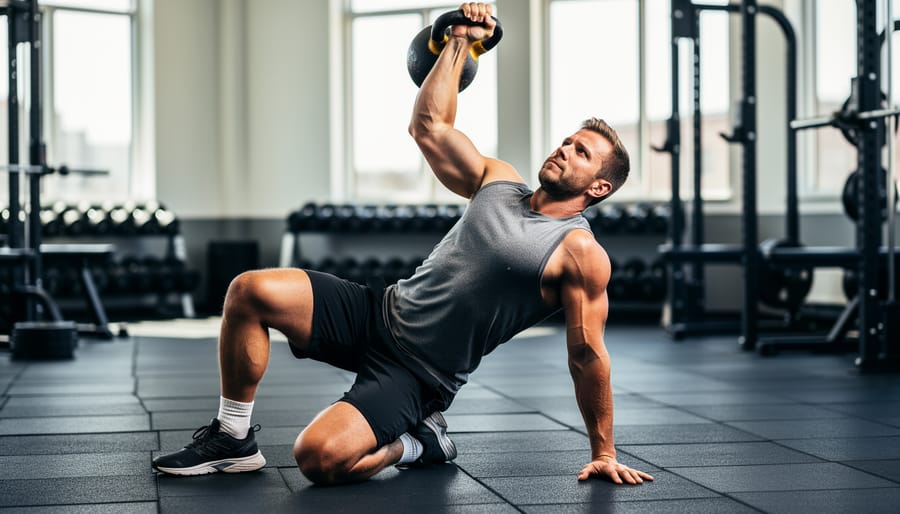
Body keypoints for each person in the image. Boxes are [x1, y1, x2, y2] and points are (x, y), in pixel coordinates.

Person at [152, 2, 654, 487]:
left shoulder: (579, 253)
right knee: (249, 290)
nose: (564, 149)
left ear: (599, 188)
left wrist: (604, 451)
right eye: (567, 140)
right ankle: (232, 438)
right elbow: (430, 126)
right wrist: (459, 41)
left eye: (581, 152)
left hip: (419, 374)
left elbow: (588, 355)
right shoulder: (498, 180)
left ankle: (421, 442)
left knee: (318, 458)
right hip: (378, 311)